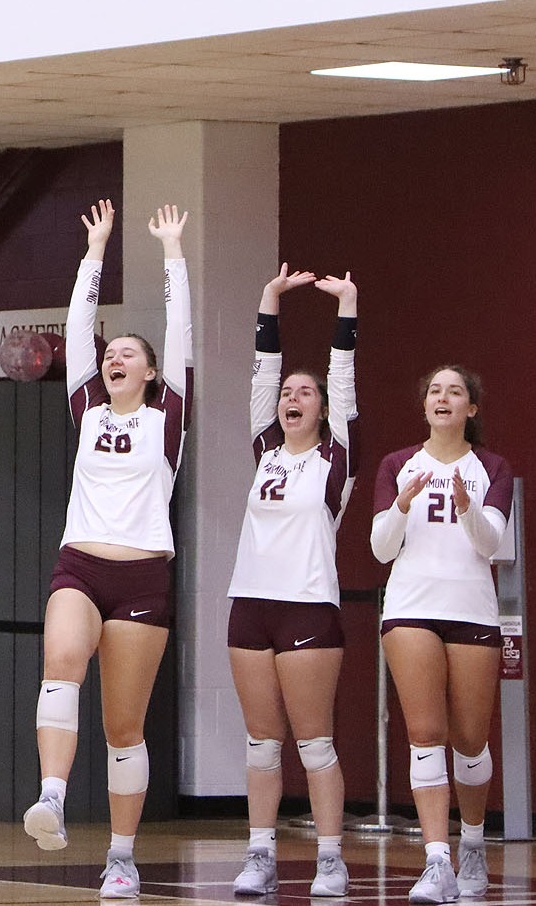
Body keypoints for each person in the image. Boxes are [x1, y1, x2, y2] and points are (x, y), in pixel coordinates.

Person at [21, 202, 191, 900]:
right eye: (110, 352)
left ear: (152, 373)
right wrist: (94, 252)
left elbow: (180, 333)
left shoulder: (167, 418)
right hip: (81, 567)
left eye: (130, 354)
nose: (116, 358)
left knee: (123, 726)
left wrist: (172, 253)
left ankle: (122, 857)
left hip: (144, 576)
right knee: (61, 663)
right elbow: (76, 331)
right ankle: (52, 796)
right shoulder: (86, 408)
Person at [225, 266, 359, 898]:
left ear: (323, 409)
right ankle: (260, 854)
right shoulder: (264, 450)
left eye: (306, 392)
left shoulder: (336, 460)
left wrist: (346, 308)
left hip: (308, 607)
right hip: (250, 606)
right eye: (288, 392)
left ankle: (331, 859)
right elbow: (261, 373)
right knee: (261, 744)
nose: (292, 397)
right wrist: (268, 301)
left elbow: (344, 379)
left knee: (314, 743)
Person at [371, 365, 514, 905]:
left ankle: (473, 841)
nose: (443, 397)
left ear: (470, 408)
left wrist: (468, 509)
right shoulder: (397, 465)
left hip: (472, 611)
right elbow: (381, 549)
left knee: (470, 740)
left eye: (455, 391)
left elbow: (490, 544)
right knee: (425, 731)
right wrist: (401, 505)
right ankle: (437, 860)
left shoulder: (492, 467)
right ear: (425, 404)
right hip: (410, 607)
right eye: (435, 390)